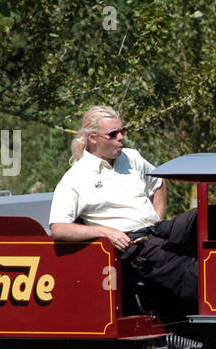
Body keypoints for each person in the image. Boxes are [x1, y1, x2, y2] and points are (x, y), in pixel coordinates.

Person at [49, 105, 199, 305]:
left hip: (156, 230)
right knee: (189, 267)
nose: (120, 138)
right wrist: (105, 232)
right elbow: (59, 228)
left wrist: (158, 217)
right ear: (93, 138)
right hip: (133, 243)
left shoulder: (132, 157)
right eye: (113, 134)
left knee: (209, 216)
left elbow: (159, 182)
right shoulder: (75, 178)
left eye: (122, 131)